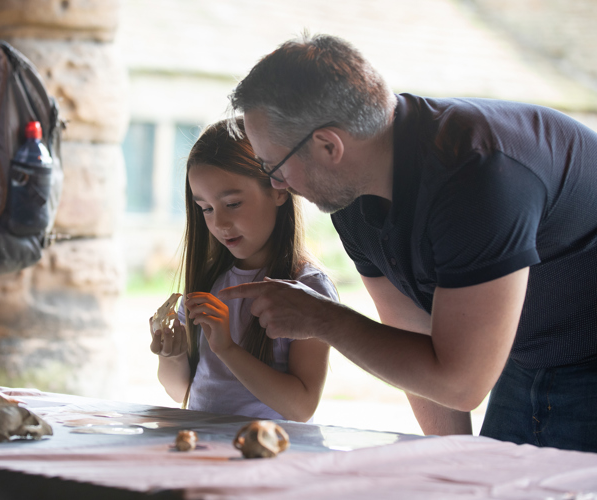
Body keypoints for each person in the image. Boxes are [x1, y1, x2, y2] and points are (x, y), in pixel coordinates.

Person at [221, 33, 597, 451]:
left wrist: (322, 318)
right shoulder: (349, 189)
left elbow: (460, 383)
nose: (277, 184)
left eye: (273, 165)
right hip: (529, 353)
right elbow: (414, 341)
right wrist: (452, 462)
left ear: (329, 145)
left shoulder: (477, 175)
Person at [149, 118, 337, 422]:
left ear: (278, 189)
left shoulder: (307, 288)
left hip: (267, 452)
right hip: (205, 446)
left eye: (232, 203)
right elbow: (183, 390)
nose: (219, 224)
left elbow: (302, 407)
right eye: (206, 209)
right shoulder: (210, 280)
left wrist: (227, 349)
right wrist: (171, 355)